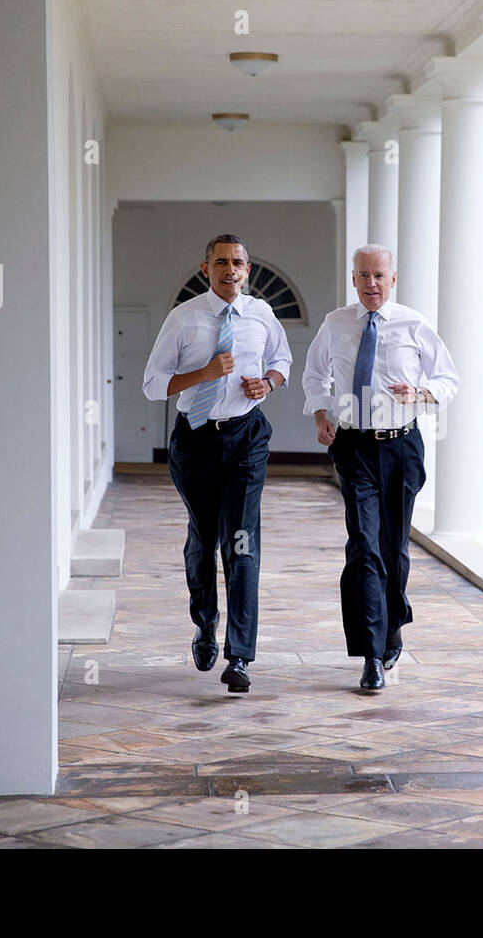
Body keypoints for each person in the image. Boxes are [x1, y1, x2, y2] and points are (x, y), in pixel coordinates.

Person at [301, 244, 459, 690]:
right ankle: (370, 653)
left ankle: (393, 623)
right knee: (364, 547)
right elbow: (314, 376)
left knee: (394, 550)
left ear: (393, 281)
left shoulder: (414, 324)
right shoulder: (335, 324)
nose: (371, 284)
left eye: (379, 276)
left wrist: (421, 394)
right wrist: (321, 415)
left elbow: (449, 380)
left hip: (402, 447)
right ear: (354, 279)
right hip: (353, 448)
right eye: (364, 275)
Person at [141, 234, 291, 693]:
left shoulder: (262, 315)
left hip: (246, 438)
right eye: (222, 262)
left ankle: (241, 656)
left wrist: (267, 382)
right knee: (204, 540)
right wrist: (204, 374)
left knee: (242, 542)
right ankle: (205, 626)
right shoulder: (183, 319)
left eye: (239, 263)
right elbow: (152, 385)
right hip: (196, 441)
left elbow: (282, 359)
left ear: (248, 270)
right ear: (206, 269)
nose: (231, 270)